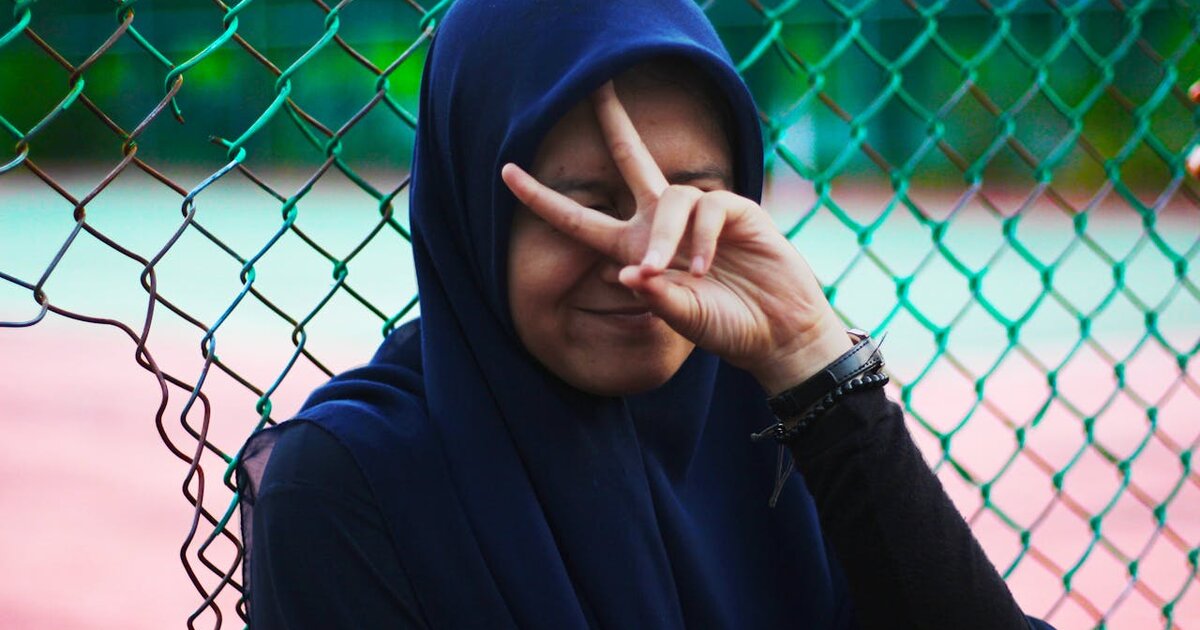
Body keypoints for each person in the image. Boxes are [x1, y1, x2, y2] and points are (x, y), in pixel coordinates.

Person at [236, 1, 1056, 628]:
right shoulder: (352, 484)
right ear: (474, 223)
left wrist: (818, 364)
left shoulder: (781, 421)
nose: (644, 262)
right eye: (581, 207)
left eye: (692, 201)